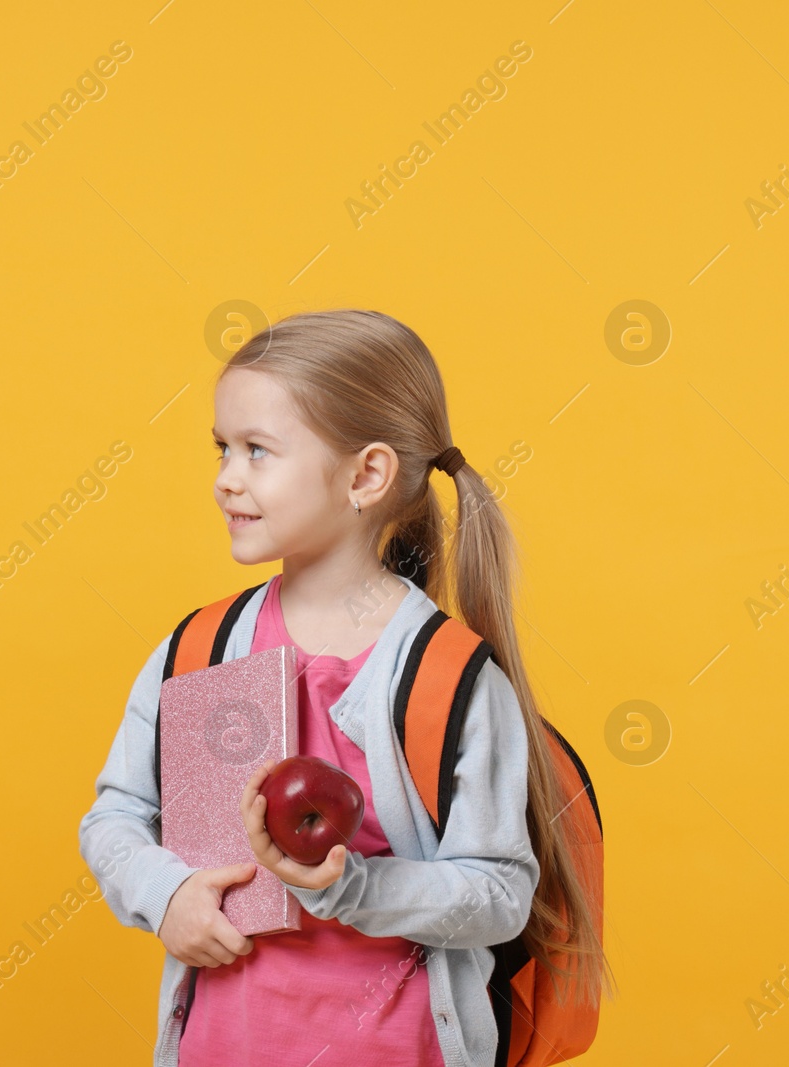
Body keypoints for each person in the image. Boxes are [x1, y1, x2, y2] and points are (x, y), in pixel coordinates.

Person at [79, 309, 609, 1065]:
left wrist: (352, 885)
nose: (226, 477)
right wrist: (164, 893)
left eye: (258, 451)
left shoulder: (448, 678)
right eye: (222, 448)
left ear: (365, 474)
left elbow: (498, 893)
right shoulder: (201, 649)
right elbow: (115, 817)